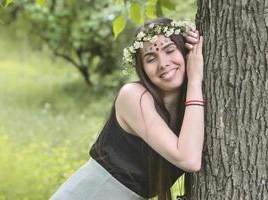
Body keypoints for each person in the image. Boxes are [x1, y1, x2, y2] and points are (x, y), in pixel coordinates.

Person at [50, 17, 204, 200]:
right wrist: (195, 80)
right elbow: (190, 160)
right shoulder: (133, 97)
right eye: (150, 58)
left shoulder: (189, 110)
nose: (163, 63)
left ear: (186, 51)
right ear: (142, 69)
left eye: (170, 50)